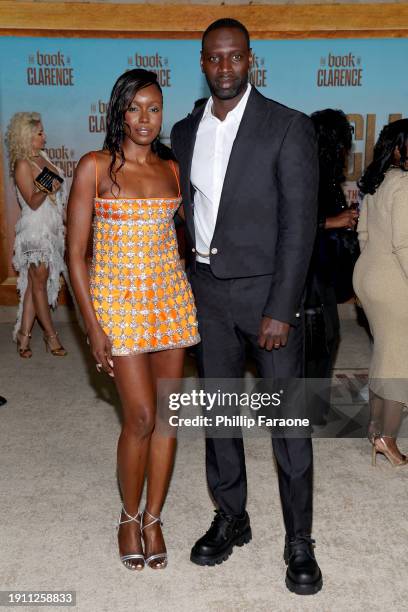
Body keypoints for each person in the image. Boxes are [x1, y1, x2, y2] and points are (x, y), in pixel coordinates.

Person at [171, 19, 322, 594]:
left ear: (251, 60)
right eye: (215, 58)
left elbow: (299, 227)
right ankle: (232, 516)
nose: (225, 67)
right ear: (203, 62)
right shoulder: (185, 131)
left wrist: (282, 307)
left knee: (288, 424)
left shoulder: (287, 127)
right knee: (219, 415)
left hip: (268, 297)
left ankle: (299, 539)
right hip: (208, 293)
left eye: (235, 57)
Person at [67, 69, 199, 571]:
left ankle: (154, 517)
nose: (145, 118)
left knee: (167, 417)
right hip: (117, 304)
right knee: (140, 416)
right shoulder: (94, 168)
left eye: (154, 108)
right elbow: (76, 254)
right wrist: (92, 326)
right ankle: (127, 515)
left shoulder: (171, 169)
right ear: (118, 110)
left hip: (169, 299)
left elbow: (196, 231)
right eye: (135, 107)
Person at [353, 118, 408, 466]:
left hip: (368, 273)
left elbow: (362, 234)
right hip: (393, 279)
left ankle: (375, 431)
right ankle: (387, 439)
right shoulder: (403, 184)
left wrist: (371, 272)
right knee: (399, 362)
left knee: (384, 355)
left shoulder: (378, 181)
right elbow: (404, 244)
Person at [305, 110, 357, 422]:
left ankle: (313, 407)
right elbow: (290, 220)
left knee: (326, 336)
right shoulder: (307, 170)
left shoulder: (323, 171)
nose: (346, 148)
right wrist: (334, 220)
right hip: (305, 268)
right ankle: (304, 410)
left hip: (321, 266)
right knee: (316, 339)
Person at [5, 112, 68, 357]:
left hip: (51, 228)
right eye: (39, 133)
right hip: (34, 230)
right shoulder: (22, 163)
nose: (44, 136)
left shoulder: (42, 156)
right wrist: (46, 187)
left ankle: (23, 335)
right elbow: (31, 201)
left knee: (34, 285)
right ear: (27, 136)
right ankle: (51, 337)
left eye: (43, 131)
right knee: (39, 283)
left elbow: (56, 199)